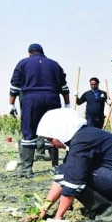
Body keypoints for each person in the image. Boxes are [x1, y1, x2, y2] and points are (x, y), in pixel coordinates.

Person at [33, 109, 112, 222]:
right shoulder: (84, 135)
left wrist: (57, 218)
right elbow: (60, 177)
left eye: (50, 139)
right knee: (68, 170)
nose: (51, 144)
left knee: (73, 174)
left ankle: (108, 213)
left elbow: (72, 180)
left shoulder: (81, 141)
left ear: (60, 132)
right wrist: (43, 209)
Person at [9, 43, 70, 176]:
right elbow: (64, 87)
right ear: (43, 52)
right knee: (53, 131)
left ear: (29, 53)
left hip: (31, 98)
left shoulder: (23, 63)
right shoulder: (55, 64)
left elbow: (15, 86)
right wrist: (67, 104)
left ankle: (26, 169)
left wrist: (11, 104)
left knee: (29, 131)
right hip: (52, 98)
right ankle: (55, 166)